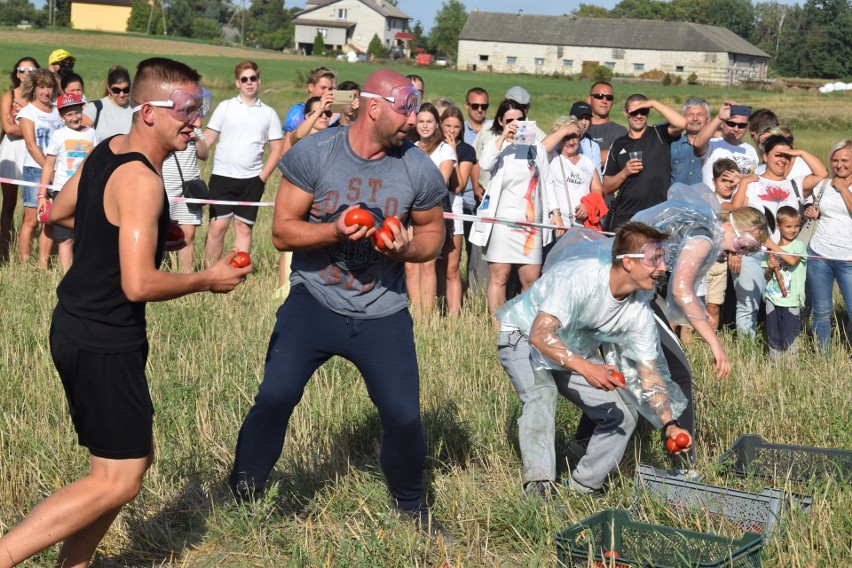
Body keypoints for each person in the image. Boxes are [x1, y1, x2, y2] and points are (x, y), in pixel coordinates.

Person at [0, 56, 249, 568]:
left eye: (198, 109)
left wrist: (149, 230)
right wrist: (208, 277)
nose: (195, 122)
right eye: (186, 110)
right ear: (149, 111)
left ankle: (76, 563)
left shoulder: (107, 149)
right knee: (119, 476)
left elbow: (63, 210)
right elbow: (138, 284)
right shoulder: (142, 181)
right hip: (103, 336)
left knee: (122, 468)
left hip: (75, 322)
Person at [228, 69, 449, 536]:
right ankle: (243, 496)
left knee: (404, 416)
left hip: (383, 309)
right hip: (315, 300)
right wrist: (333, 230)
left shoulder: (417, 167)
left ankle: (412, 510)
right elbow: (282, 231)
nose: (413, 119)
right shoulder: (316, 152)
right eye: (405, 108)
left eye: (415, 108)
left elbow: (434, 235)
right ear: (374, 107)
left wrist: (405, 248)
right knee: (275, 397)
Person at [496, 222, 691, 495]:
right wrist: (588, 368)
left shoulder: (638, 310)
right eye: (654, 259)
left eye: (664, 258)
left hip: (570, 350)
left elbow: (650, 374)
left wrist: (669, 423)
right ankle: (539, 486)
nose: (662, 268)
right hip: (523, 336)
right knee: (542, 395)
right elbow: (540, 335)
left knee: (623, 415)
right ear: (627, 263)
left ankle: (584, 486)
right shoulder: (582, 278)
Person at [469, 98, 566, 324]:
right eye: (509, 120)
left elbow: (548, 182)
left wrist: (555, 212)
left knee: (531, 279)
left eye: (520, 119)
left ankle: (522, 325)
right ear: (501, 122)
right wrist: (503, 137)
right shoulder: (498, 146)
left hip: (530, 225)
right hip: (502, 223)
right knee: (499, 277)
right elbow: (484, 164)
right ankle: (497, 327)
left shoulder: (537, 149)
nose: (515, 124)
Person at [729, 135, 826, 336]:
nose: (783, 159)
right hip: (752, 254)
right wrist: (734, 251)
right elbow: (735, 214)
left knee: (779, 305)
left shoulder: (795, 184)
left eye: (787, 156)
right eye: (777, 154)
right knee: (748, 306)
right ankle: (748, 353)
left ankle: (779, 348)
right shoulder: (752, 182)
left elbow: (821, 173)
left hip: (783, 256)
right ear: (765, 155)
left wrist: (798, 153)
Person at [203, 60, 283, 266]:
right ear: (237, 83)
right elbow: (207, 140)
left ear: (259, 80)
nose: (249, 83)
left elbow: (277, 149)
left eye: (253, 78)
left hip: (252, 180)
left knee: (243, 228)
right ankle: (210, 273)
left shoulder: (269, 113)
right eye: (244, 79)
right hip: (222, 176)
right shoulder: (225, 107)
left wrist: (261, 178)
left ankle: (237, 274)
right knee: (217, 226)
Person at [602, 94, 686, 230]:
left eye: (644, 111)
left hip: (657, 215)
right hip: (625, 215)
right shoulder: (618, 144)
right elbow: (606, 187)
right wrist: (625, 172)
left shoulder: (659, 133)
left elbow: (681, 123)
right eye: (634, 112)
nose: (639, 116)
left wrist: (653, 103)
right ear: (625, 113)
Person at [37, 92, 98, 272]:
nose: (74, 117)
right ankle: (66, 274)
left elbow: (96, 163)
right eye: (69, 114)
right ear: (61, 116)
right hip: (62, 190)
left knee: (85, 234)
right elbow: (48, 166)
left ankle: (82, 271)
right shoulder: (59, 135)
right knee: (64, 237)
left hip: (86, 191)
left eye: (77, 112)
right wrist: (42, 194)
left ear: (82, 111)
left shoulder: (92, 134)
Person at [406, 102, 456, 316]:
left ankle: (426, 315)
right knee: (409, 264)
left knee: (427, 264)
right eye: (421, 122)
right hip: (408, 212)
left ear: (437, 124)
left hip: (432, 212)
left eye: (429, 122)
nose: (425, 126)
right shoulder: (409, 147)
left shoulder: (445, 149)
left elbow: (441, 182)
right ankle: (415, 313)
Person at [805, 139, 852, 349]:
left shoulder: (842, 186)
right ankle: (822, 356)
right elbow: (821, 210)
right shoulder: (824, 184)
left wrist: (844, 189)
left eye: (845, 160)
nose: (839, 165)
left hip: (848, 257)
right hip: (819, 254)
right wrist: (813, 213)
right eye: (835, 160)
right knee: (821, 310)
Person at [16, 68, 63, 263]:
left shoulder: (58, 111)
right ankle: (24, 261)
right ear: (34, 89)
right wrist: (49, 170)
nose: (46, 91)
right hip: (36, 169)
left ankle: (43, 264)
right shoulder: (28, 112)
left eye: (49, 87)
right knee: (32, 219)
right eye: (41, 87)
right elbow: (31, 145)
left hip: (59, 170)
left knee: (49, 219)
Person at [0, 56, 39, 261]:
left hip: (32, 153)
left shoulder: (39, 98)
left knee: (31, 205)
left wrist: (20, 127)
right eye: (22, 70)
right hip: (11, 153)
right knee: (9, 203)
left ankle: (25, 249)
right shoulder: (9, 96)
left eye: (31, 70)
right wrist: (30, 128)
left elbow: (38, 126)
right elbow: (8, 129)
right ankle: (5, 246)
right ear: (17, 73)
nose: (26, 74)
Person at [438, 104, 476, 316]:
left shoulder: (466, 150)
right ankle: (437, 307)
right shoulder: (432, 146)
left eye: (456, 126)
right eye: (447, 125)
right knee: (435, 264)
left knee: (452, 266)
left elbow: (459, 186)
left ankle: (453, 315)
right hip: (433, 208)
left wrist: (452, 154)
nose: (451, 130)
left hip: (454, 208)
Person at [162, 123, 208, 273]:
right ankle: (159, 271)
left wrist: (197, 139)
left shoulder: (195, 128)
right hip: (166, 186)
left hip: (189, 189)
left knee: (188, 234)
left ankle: (186, 275)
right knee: (160, 232)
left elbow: (204, 155)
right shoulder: (165, 125)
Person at [762, 206, 806, 360]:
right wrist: (770, 267)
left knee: (789, 333)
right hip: (772, 298)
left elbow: (792, 260)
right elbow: (767, 276)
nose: (793, 230)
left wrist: (771, 244)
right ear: (779, 227)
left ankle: (791, 366)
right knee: (773, 333)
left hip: (791, 299)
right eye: (788, 226)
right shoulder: (770, 251)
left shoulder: (799, 245)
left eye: (796, 226)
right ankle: (775, 364)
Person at [547, 115, 604, 227]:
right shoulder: (552, 157)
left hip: (585, 226)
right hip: (559, 224)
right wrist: (565, 130)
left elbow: (597, 189)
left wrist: (588, 205)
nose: (571, 142)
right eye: (566, 137)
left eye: (575, 137)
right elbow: (541, 148)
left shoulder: (588, 161)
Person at [705, 159, 740, 329]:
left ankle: (711, 341)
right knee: (699, 304)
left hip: (722, 262)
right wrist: (744, 182)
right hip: (705, 262)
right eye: (723, 180)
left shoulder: (739, 197)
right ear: (714, 181)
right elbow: (734, 207)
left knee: (714, 305)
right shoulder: (710, 200)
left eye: (732, 181)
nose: (728, 185)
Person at [463, 87, 491, 291]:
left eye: (484, 106)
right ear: (467, 106)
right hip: (461, 200)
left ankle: (479, 292)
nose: (480, 110)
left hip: (486, 203)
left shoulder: (493, 130)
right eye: (475, 106)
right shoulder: (458, 129)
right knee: (463, 249)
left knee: (481, 253)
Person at [694, 101, 759, 188]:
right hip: (714, 200)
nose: (736, 129)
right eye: (731, 124)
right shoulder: (712, 145)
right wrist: (719, 118)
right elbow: (697, 143)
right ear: (722, 124)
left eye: (741, 125)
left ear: (747, 126)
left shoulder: (750, 149)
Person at [82, 65, 133, 140]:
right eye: (116, 90)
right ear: (109, 88)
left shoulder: (137, 108)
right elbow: (80, 139)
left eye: (126, 90)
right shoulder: (95, 108)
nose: (121, 95)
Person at [585, 81, 627, 170]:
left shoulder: (619, 131)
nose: (604, 101)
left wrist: (576, 155)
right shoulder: (579, 127)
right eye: (599, 96)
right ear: (589, 99)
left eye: (609, 98)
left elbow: (615, 157)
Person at [282, 66, 335, 133]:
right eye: (323, 88)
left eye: (330, 89)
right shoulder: (298, 111)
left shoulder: (329, 112)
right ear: (311, 87)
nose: (328, 92)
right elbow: (288, 142)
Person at [671, 97, 710, 186]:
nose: (695, 119)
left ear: (708, 119)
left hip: (704, 199)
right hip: (676, 199)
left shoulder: (715, 147)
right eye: (690, 115)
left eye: (700, 114)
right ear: (683, 119)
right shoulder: (672, 146)